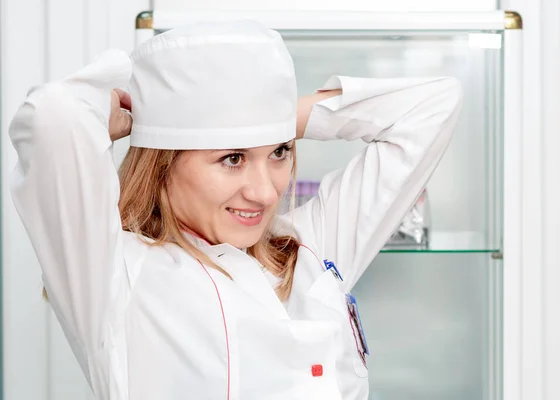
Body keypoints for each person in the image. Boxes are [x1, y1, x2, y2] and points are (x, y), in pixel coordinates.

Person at [9, 20, 462, 400]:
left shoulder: (310, 247)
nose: (266, 193)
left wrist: (278, 116)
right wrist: (141, 120)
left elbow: (436, 104)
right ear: (164, 162)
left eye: (280, 152)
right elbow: (51, 116)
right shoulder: (115, 274)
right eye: (232, 158)